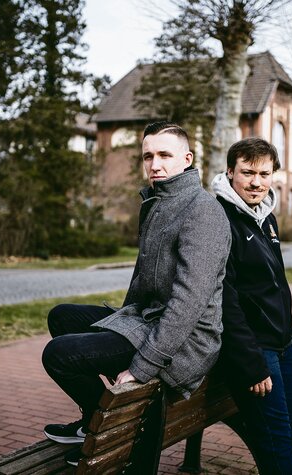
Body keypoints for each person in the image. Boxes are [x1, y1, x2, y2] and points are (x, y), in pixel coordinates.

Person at [41, 121, 231, 466]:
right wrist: (122, 320)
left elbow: (188, 303)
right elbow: (144, 286)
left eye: (164, 155)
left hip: (187, 341)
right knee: (62, 316)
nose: (154, 164)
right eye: (148, 156)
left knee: (58, 355)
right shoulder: (160, 202)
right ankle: (94, 421)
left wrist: (143, 364)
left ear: (186, 159)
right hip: (149, 320)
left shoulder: (202, 210)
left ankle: (109, 428)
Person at [211, 137, 292, 475]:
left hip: (285, 346)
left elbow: (277, 287)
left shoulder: (266, 217)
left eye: (264, 173)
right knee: (277, 441)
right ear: (230, 172)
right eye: (247, 172)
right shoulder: (220, 220)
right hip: (257, 353)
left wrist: (290, 338)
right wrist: (252, 363)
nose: (256, 182)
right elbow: (225, 300)